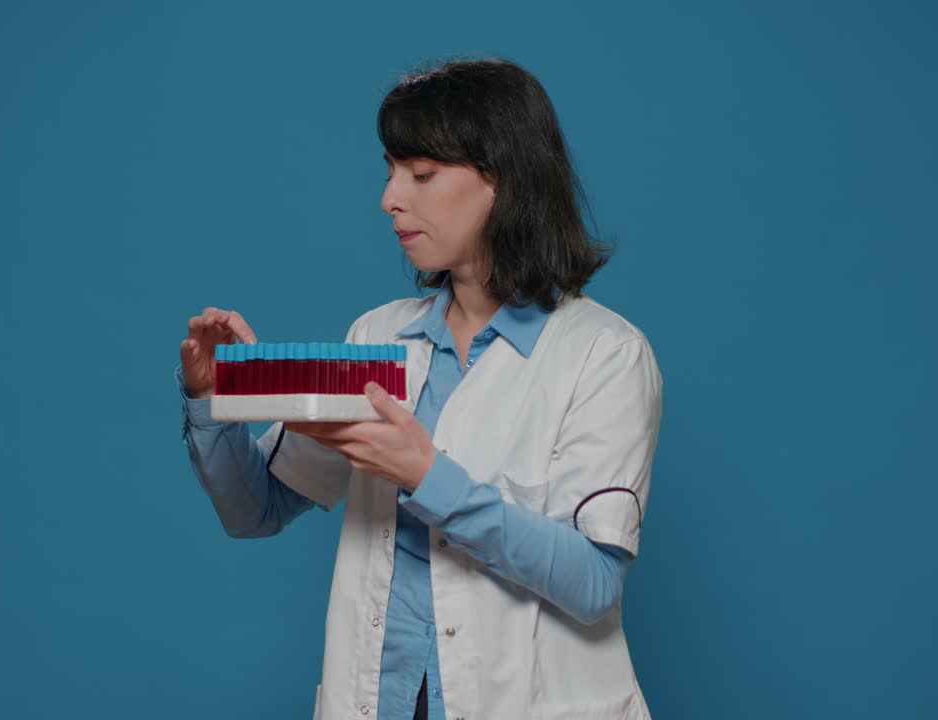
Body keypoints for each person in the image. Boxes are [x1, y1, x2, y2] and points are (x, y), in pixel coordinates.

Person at [176, 57, 663, 720]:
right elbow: (255, 510)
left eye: (422, 174)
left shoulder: (604, 355)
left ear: (502, 179)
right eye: (389, 171)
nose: (390, 198)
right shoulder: (378, 337)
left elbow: (594, 582)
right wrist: (212, 401)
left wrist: (427, 475)